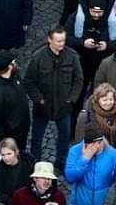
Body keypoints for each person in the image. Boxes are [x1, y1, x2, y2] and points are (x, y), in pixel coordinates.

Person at [25, 25, 83, 167]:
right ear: (49, 40)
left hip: (64, 107)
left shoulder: (72, 56)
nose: (62, 44)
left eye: (63, 40)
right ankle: (35, 164)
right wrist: (39, 99)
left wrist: (71, 99)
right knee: (37, 138)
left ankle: (60, 163)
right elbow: (29, 81)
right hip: (43, 107)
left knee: (64, 138)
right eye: (58, 41)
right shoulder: (38, 57)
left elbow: (78, 79)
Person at [66, 126, 116, 205]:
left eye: (94, 146)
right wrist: (84, 159)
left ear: (100, 143)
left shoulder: (113, 154)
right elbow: (70, 178)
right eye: (88, 146)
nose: (91, 149)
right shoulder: (75, 151)